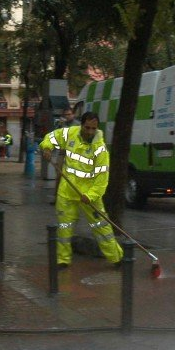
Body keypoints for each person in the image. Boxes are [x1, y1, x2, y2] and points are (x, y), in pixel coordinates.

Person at [40, 112, 124, 268]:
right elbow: (52, 137)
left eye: (93, 128)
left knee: (101, 227)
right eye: (87, 128)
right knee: (64, 227)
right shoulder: (71, 133)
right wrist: (47, 147)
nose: (90, 132)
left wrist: (91, 195)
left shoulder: (100, 149)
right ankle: (63, 260)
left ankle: (117, 258)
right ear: (81, 125)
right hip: (67, 192)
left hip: (88, 195)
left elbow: (102, 178)